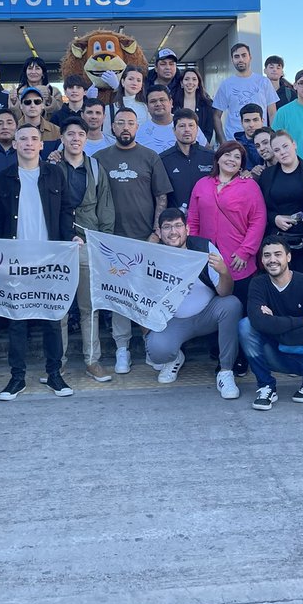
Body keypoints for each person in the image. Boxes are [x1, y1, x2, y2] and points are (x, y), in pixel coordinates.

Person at [0, 122, 76, 399]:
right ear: (14, 144)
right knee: (17, 320)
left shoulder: (55, 175)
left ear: (42, 144)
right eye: (22, 139)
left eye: (34, 139)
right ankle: (17, 378)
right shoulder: (2, 179)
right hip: (15, 261)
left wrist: (69, 239)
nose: (28, 143)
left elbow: (65, 211)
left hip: (49, 259)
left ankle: (54, 375)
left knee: (52, 318)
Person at [97, 108, 173, 373]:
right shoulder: (100, 158)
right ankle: (122, 348)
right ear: (113, 128)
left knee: (147, 295)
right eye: (120, 123)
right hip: (112, 241)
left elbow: (161, 197)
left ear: (137, 127)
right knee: (120, 296)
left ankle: (151, 345)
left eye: (130, 122)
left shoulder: (150, 157)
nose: (125, 127)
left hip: (145, 239)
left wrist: (156, 233)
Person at [145, 208, 242, 399]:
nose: (173, 232)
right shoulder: (153, 256)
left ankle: (225, 372)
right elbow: (142, 300)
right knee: (156, 352)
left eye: (178, 225)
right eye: (167, 227)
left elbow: (225, 292)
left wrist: (224, 272)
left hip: (207, 313)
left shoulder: (203, 247)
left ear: (188, 229)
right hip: (174, 321)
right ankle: (174, 357)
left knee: (232, 304)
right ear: (160, 233)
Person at [53, 115, 115, 383]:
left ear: (86, 138)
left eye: (80, 134)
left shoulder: (96, 167)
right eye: (70, 134)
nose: (76, 138)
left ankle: (92, 361)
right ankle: (58, 362)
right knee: (60, 309)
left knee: (90, 307)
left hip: (89, 242)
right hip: (60, 246)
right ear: (62, 138)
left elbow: (106, 207)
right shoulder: (52, 167)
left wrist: (102, 242)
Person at [240, 237, 303, 410]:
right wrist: (301, 321)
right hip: (275, 351)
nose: (272, 260)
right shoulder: (258, 284)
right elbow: (257, 322)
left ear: (288, 257)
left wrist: (273, 325)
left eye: (277, 254)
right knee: (245, 326)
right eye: (267, 255)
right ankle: (266, 386)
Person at [187, 141, 267, 315]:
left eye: (237, 157)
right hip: (206, 258)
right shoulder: (202, 184)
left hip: (238, 258)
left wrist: (245, 251)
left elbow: (258, 221)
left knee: (240, 307)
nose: (232, 159)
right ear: (218, 158)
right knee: (210, 306)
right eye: (227, 154)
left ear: (241, 164)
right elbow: (193, 220)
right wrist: (194, 251)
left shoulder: (250, 186)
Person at [258, 131, 303, 274]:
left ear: (294, 145)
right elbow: (260, 208)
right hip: (279, 238)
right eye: (277, 150)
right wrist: (274, 218)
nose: (282, 152)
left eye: (285, 146)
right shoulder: (267, 175)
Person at [212, 43, 278, 143]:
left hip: (260, 142)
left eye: (244, 55)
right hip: (234, 142)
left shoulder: (263, 82)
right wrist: (223, 141)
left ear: (250, 57)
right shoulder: (226, 85)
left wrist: (272, 138)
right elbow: (216, 115)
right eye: (236, 56)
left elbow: (272, 113)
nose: (240, 59)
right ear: (232, 60)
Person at [160, 110, 215, 215]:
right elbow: (161, 195)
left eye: (191, 125)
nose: (187, 130)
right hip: (176, 222)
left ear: (197, 129)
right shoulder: (163, 159)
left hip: (206, 218)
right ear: (174, 130)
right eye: (182, 126)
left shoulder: (212, 157)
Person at [137, 86, 208, 154]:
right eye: (153, 101)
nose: (158, 104)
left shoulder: (188, 125)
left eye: (162, 100)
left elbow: (206, 150)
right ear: (147, 106)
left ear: (171, 103)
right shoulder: (140, 132)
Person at [16, 86, 61, 157]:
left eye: (37, 102)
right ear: (21, 106)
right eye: (27, 102)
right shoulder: (13, 130)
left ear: (42, 105)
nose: (32, 105)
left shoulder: (56, 131)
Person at [173, 67, 215, 143]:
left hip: (200, 147)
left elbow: (208, 130)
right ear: (181, 83)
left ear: (198, 83)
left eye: (194, 79)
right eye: (186, 79)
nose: (190, 82)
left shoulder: (207, 104)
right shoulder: (173, 103)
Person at [107, 64, 150, 132]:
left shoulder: (146, 107)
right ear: (123, 82)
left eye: (138, 80)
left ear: (142, 85)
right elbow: (107, 134)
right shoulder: (110, 108)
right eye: (130, 79)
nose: (134, 83)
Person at [235, 103, 267, 169]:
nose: (251, 125)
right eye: (247, 121)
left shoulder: (272, 142)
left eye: (255, 120)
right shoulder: (235, 146)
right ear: (241, 123)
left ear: (262, 121)